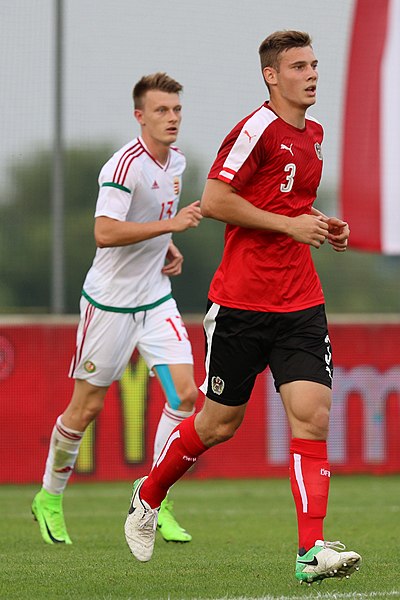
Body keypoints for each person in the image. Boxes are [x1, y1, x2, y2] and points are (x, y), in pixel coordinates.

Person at [124, 32, 362, 584]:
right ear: (271, 76)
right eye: (299, 66)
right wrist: (289, 225)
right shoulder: (255, 129)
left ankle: (310, 551)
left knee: (313, 415)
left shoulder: (315, 135)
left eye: (314, 64)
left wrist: (324, 225)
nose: (312, 74)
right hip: (241, 303)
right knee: (217, 424)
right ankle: (150, 491)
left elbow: (290, 205)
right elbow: (214, 201)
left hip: (301, 300)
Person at [32, 72, 202, 546]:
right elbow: (105, 232)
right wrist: (172, 224)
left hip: (155, 300)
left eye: (176, 110)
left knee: (186, 396)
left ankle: (154, 496)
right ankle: (48, 496)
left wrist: (165, 246)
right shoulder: (123, 166)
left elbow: (147, 225)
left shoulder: (178, 162)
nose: (171, 119)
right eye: (162, 111)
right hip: (108, 305)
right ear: (140, 116)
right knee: (84, 408)